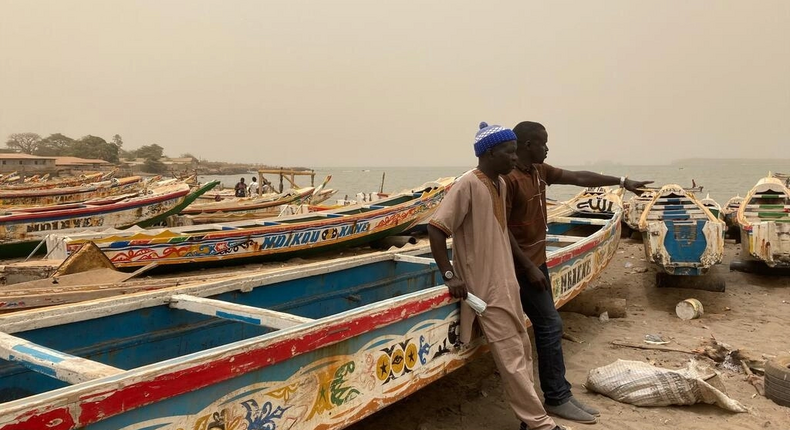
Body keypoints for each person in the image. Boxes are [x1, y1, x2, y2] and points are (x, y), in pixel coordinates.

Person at [503, 120, 653, 424]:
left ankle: (559, 394)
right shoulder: (509, 180)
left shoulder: (539, 171)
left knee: (546, 326)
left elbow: (578, 177)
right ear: (528, 145)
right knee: (549, 325)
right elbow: (500, 229)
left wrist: (622, 181)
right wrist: (529, 266)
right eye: (543, 143)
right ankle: (557, 397)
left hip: (536, 261)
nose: (548, 148)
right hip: (519, 267)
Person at [428, 122, 567, 430]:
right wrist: (450, 275)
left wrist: (524, 270)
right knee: (512, 355)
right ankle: (538, 423)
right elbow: (436, 229)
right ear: (490, 153)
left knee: (522, 346)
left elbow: (501, 234)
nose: (515, 159)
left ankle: (529, 420)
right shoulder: (467, 184)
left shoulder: (501, 184)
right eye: (509, 152)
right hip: (484, 286)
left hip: (505, 280)